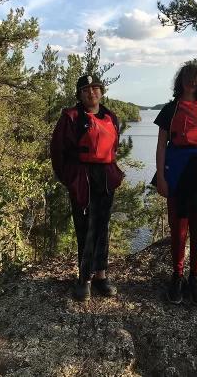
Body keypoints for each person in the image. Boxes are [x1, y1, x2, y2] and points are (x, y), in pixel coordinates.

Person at [153, 63, 197, 306]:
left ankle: (195, 276)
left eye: (195, 79)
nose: (190, 83)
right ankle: (177, 276)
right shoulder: (170, 110)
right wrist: (161, 177)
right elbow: (161, 146)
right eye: (186, 78)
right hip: (177, 173)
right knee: (178, 229)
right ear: (180, 81)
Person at [51, 75, 124, 301]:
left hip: (105, 177)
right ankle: (85, 279)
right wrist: (69, 179)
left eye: (95, 88)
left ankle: (101, 276)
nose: (91, 93)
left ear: (101, 92)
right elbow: (57, 152)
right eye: (85, 89)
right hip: (82, 177)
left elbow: (115, 146)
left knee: (102, 226)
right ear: (80, 94)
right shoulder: (71, 117)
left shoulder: (110, 116)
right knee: (84, 227)